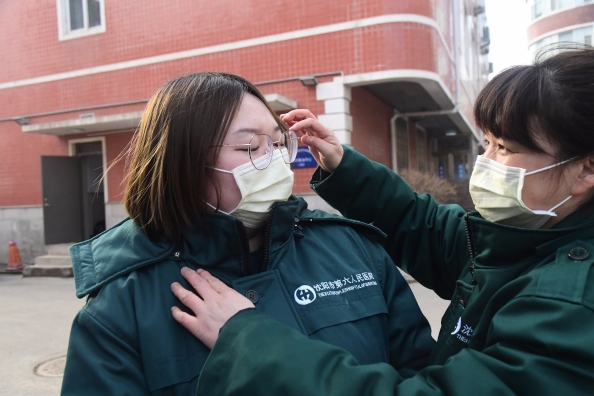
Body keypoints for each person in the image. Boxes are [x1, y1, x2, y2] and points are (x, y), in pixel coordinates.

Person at [172, 47, 594, 395]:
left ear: (586, 170)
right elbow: (419, 223)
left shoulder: (573, 307)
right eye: (486, 143)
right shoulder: (526, 238)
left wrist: (248, 343)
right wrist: (344, 168)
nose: (486, 161)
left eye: (506, 147)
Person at [60, 72, 435, 395]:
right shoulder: (121, 306)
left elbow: (419, 374)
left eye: (277, 142)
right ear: (182, 164)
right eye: (250, 146)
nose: (273, 158)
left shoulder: (352, 247)